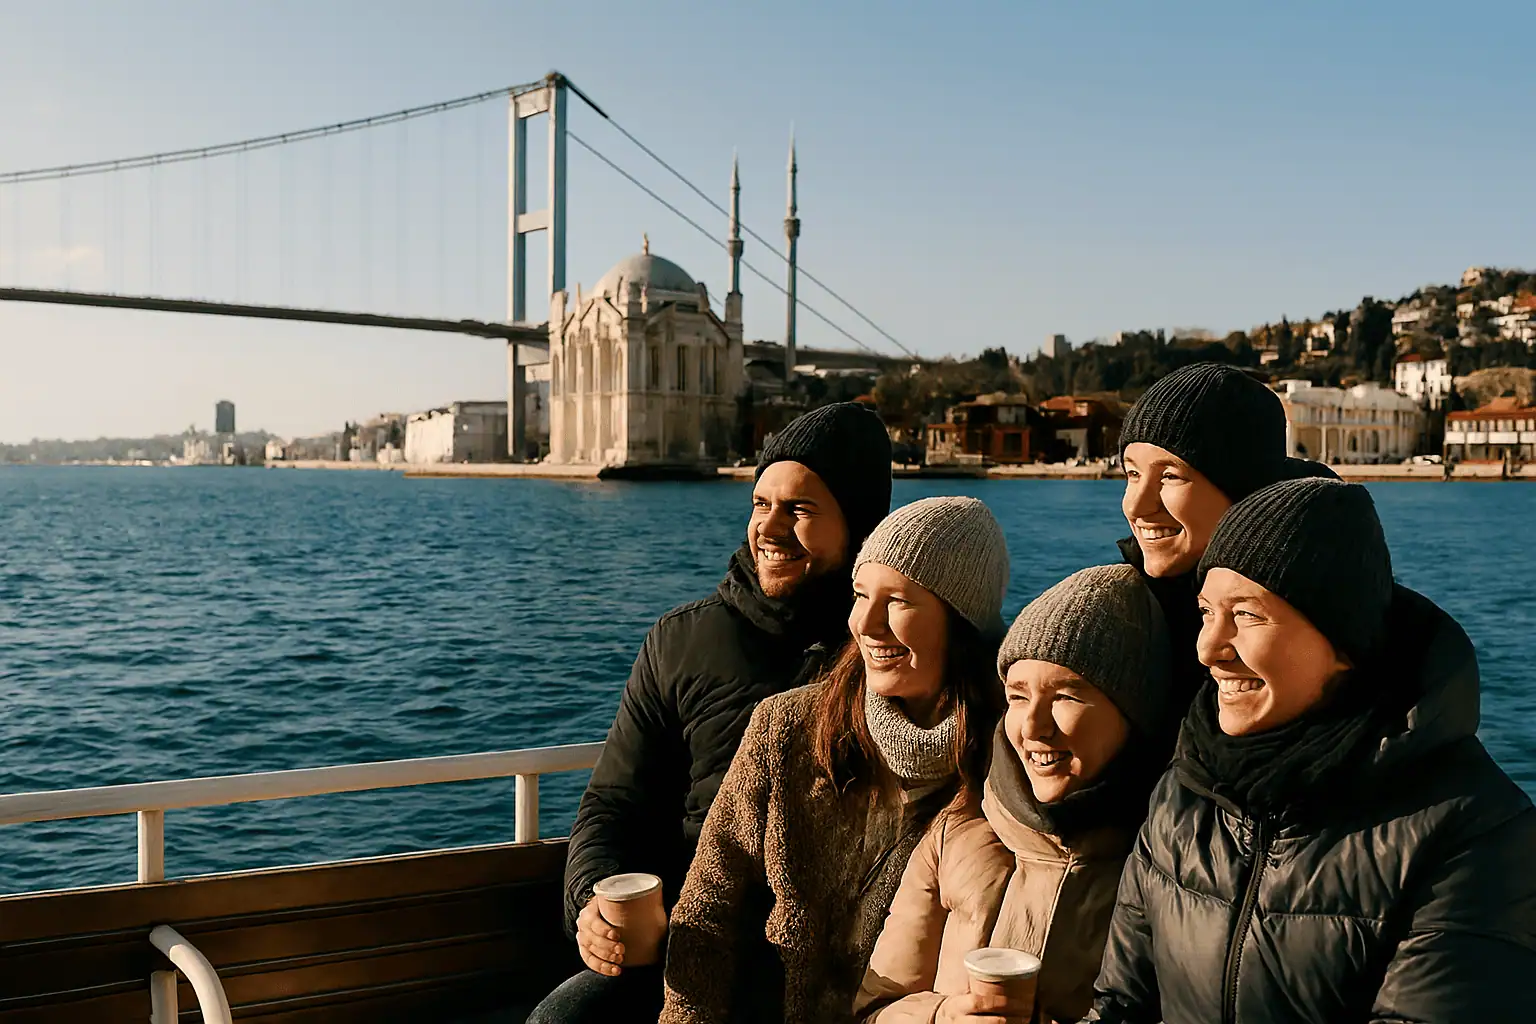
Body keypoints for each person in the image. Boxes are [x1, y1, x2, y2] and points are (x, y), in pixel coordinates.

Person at [1090, 477, 1536, 1023]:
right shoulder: (1187, 789)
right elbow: (1120, 1006)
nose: (1208, 649)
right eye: (1207, 612)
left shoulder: (1474, 833)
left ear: (1342, 642)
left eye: (1248, 615)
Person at [529, 402, 893, 1023]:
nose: (770, 529)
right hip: (688, 942)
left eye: (800, 509)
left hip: (840, 964)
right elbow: (614, 804)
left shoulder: (888, 650)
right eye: (760, 504)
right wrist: (593, 903)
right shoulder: (681, 642)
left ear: (858, 527)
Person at [660, 497, 1012, 1024]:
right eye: (861, 594)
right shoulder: (785, 729)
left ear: (959, 621)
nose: (865, 624)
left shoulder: (1007, 763)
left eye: (898, 600)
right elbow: (707, 910)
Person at [855, 564, 1171, 1024]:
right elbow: (872, 1008)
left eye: (1067, 695)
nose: (1034, 728)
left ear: (1134, 714)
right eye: (1018, 697)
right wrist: (943, 1017)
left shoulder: (1169, 866)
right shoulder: (957, 830)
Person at [1117, 362, 1337, 710]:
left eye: (1170, 476)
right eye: (1132, 473)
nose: (1136, 505)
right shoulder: (1121, 606)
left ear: (1242, 490)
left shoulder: (1328, 621)